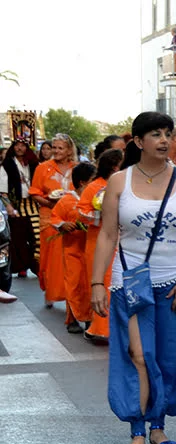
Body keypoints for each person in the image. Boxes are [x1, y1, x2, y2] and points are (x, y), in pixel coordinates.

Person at [89, 111, 176, 444]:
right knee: (138, 356)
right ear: (138, 141)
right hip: (130, 284)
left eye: (167, 133)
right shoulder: (119, 182)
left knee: (171, 359)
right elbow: (108, 235)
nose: (163, 140)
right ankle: (138, 431)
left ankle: (158, 425)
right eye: (155, 134)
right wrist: (98, 282)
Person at [77, 148, 123, 343]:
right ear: (114, 167)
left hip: (121, 244)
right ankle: (100, 328)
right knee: (101, 285)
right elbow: (81, 213)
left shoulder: (124, 184)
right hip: (98, 243)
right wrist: (103, 216)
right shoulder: (94, 187)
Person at [31, 133, 77, 309]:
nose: (56, 151)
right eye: (54, 147)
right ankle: (50, 292)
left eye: (60, 148)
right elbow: (34, 193)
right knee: (51, 259)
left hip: (72, 219)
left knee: (71, 258)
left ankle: (71, 295)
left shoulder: (77, 168)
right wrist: (51, 203)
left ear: (69, 150)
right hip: (49, 217)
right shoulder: (43, 168)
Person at [51, 162, 97, 333]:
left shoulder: (95, 200)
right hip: (72, 250)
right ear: (82, 183)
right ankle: (72, 318)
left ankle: (90, 318)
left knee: (89, 284)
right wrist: (63, 225)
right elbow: (55, 218)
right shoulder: (66, 201)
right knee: (74, 284)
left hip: (91, 249)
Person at [0, 137, 40, 277]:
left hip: (33, 203)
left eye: (23, 145)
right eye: (17, 145)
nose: (19, 148)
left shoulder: (34, 163)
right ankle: (21, 266)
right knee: (18, 239)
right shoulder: (8, 164)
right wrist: (9, 206)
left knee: (37, 235)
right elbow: (3, 189)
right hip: (17, 205)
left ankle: (37, 265)